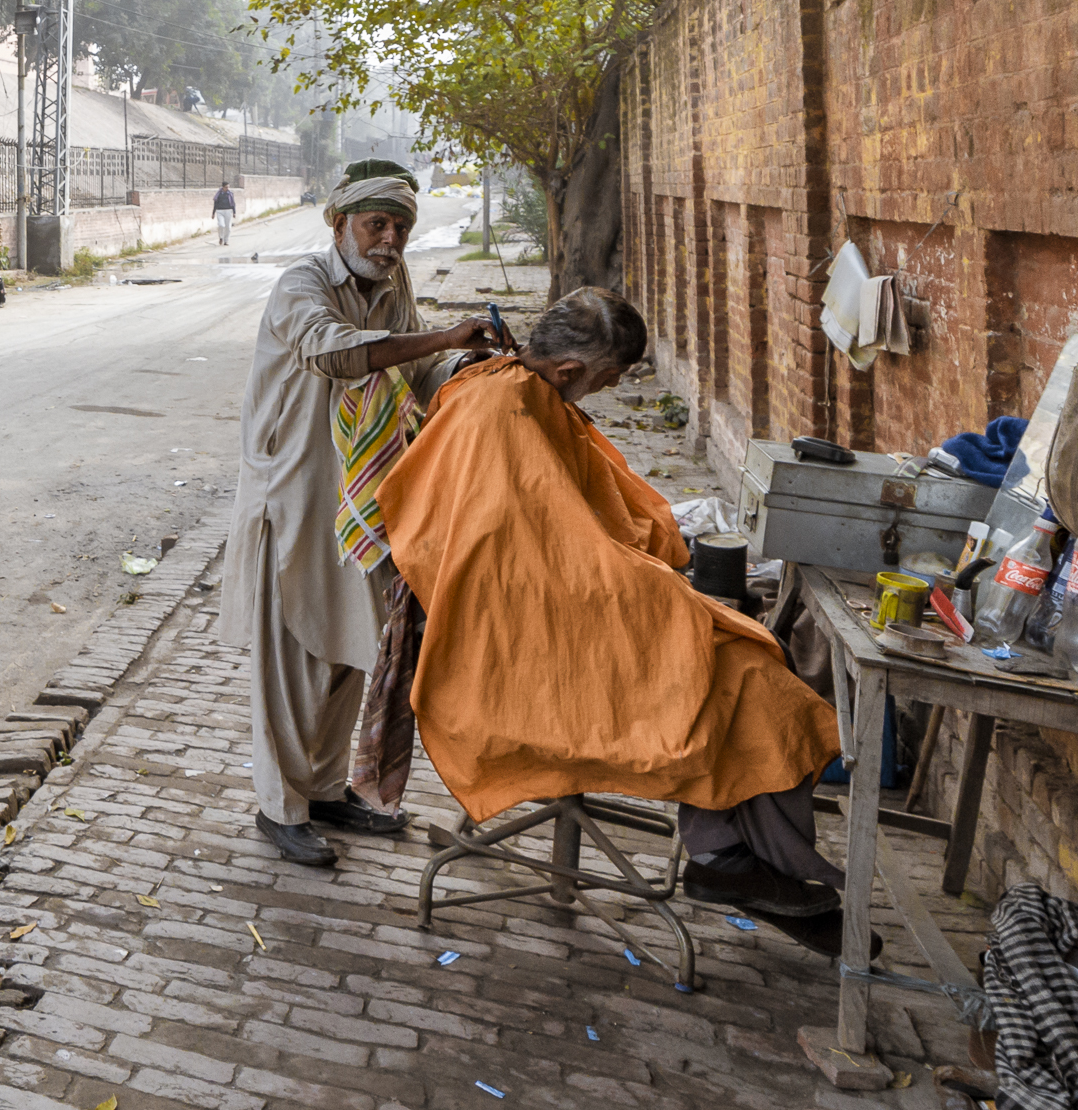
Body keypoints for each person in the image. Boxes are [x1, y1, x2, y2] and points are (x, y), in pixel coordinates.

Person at [376, 288, 877, 957]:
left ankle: (727, 852)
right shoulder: (500, 411)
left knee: (746, 662)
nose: (604, 393)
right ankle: (726, 860)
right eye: (606, 381)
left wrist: (658, 570)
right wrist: (662, 600)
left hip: (552, 611)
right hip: (517, 647)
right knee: (758, 684)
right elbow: (533, 566)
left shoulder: (516, 390)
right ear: (569, 372)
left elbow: (577, 526)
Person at [219, 159, 501, 867]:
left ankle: (322, 789)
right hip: (294, 496)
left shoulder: (391, 288)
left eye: (401, 227)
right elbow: (339, 357)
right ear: (341, 223)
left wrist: (470, 367)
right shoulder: (302, 285)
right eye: (377, 224)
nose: (390, 239)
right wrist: (442, 339)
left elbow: (412, 371)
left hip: (360, 493)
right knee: (288, 658)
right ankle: (279, 810)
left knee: (347, 648)